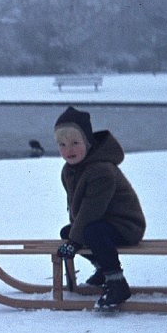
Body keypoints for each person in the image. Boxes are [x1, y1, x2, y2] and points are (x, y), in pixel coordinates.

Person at [53, 106, 146, 309]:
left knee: (90, 231)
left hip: (126, 225)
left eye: (75, 143)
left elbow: (91, 210)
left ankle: (116, 282)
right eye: (62, 145)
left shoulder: (101, 170)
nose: (68, 150)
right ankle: (103, 270)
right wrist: (73, 238)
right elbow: (76, 209)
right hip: (103, 222)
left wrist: (75, 242)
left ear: (87, 142)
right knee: (68, 231)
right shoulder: (69, 170)